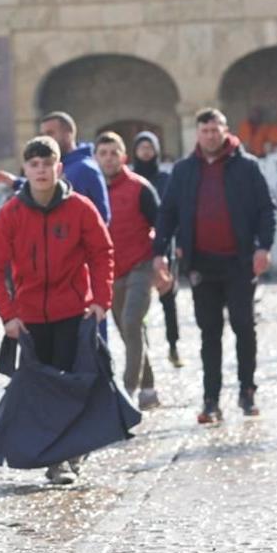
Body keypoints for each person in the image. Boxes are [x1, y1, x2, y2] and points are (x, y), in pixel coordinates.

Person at [0, 135, 113, 485]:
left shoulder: (80, 208)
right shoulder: (11, 213)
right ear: (25, 169)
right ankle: (55, 456)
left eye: (47, 164)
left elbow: (102, 253)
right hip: (29, 317)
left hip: (73, 311)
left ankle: (69, 453)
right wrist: (7, 314)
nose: (40, 171)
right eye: (34, 164)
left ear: (59, 167)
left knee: (73, 384)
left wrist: (101, 300)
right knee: (42, 390)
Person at [154, 108, 275, 423]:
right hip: (201, 265)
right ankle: (211, 399)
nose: (210, 136)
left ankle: (247, 391)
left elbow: (266, 208)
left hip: (239, 262)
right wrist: (160, 252)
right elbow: (167, 213)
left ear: (225, 130)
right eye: (205, 131)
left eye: (215, 130)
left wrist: (264, 247)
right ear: (198, 133)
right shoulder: (184, 170)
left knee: (243, 326)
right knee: (209, 332)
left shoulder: (246, 167)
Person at [95, 132, 162, 409]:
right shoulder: (92, 191)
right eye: (103, 153)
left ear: (123, 156)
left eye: (114, 153)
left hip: (141, 265)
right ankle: (148, 388)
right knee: (127, 331)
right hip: (111, 271)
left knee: (133, 322)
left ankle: (126, 393)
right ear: (96, 158)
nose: (109, 158)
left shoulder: (140, 187)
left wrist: (162, 261)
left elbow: (162, 226)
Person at [0, 111, 110, 224]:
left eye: (50, 133)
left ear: (68, 133)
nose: (46, 139)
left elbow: (101, 218)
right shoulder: (56, 164)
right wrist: (16, 182)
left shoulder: (85, 169)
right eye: (42, 134)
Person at [130, 130, 183, 367]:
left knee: (168, 298)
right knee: (137, 300)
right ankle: (145, 348)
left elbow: (174, 211)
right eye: (141, 148)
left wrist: (177, 242)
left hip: (164, 245)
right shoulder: (129, 180)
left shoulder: (165, 179)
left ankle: (173, 344)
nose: (145, 152)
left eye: (149, 148)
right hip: (137, 247)